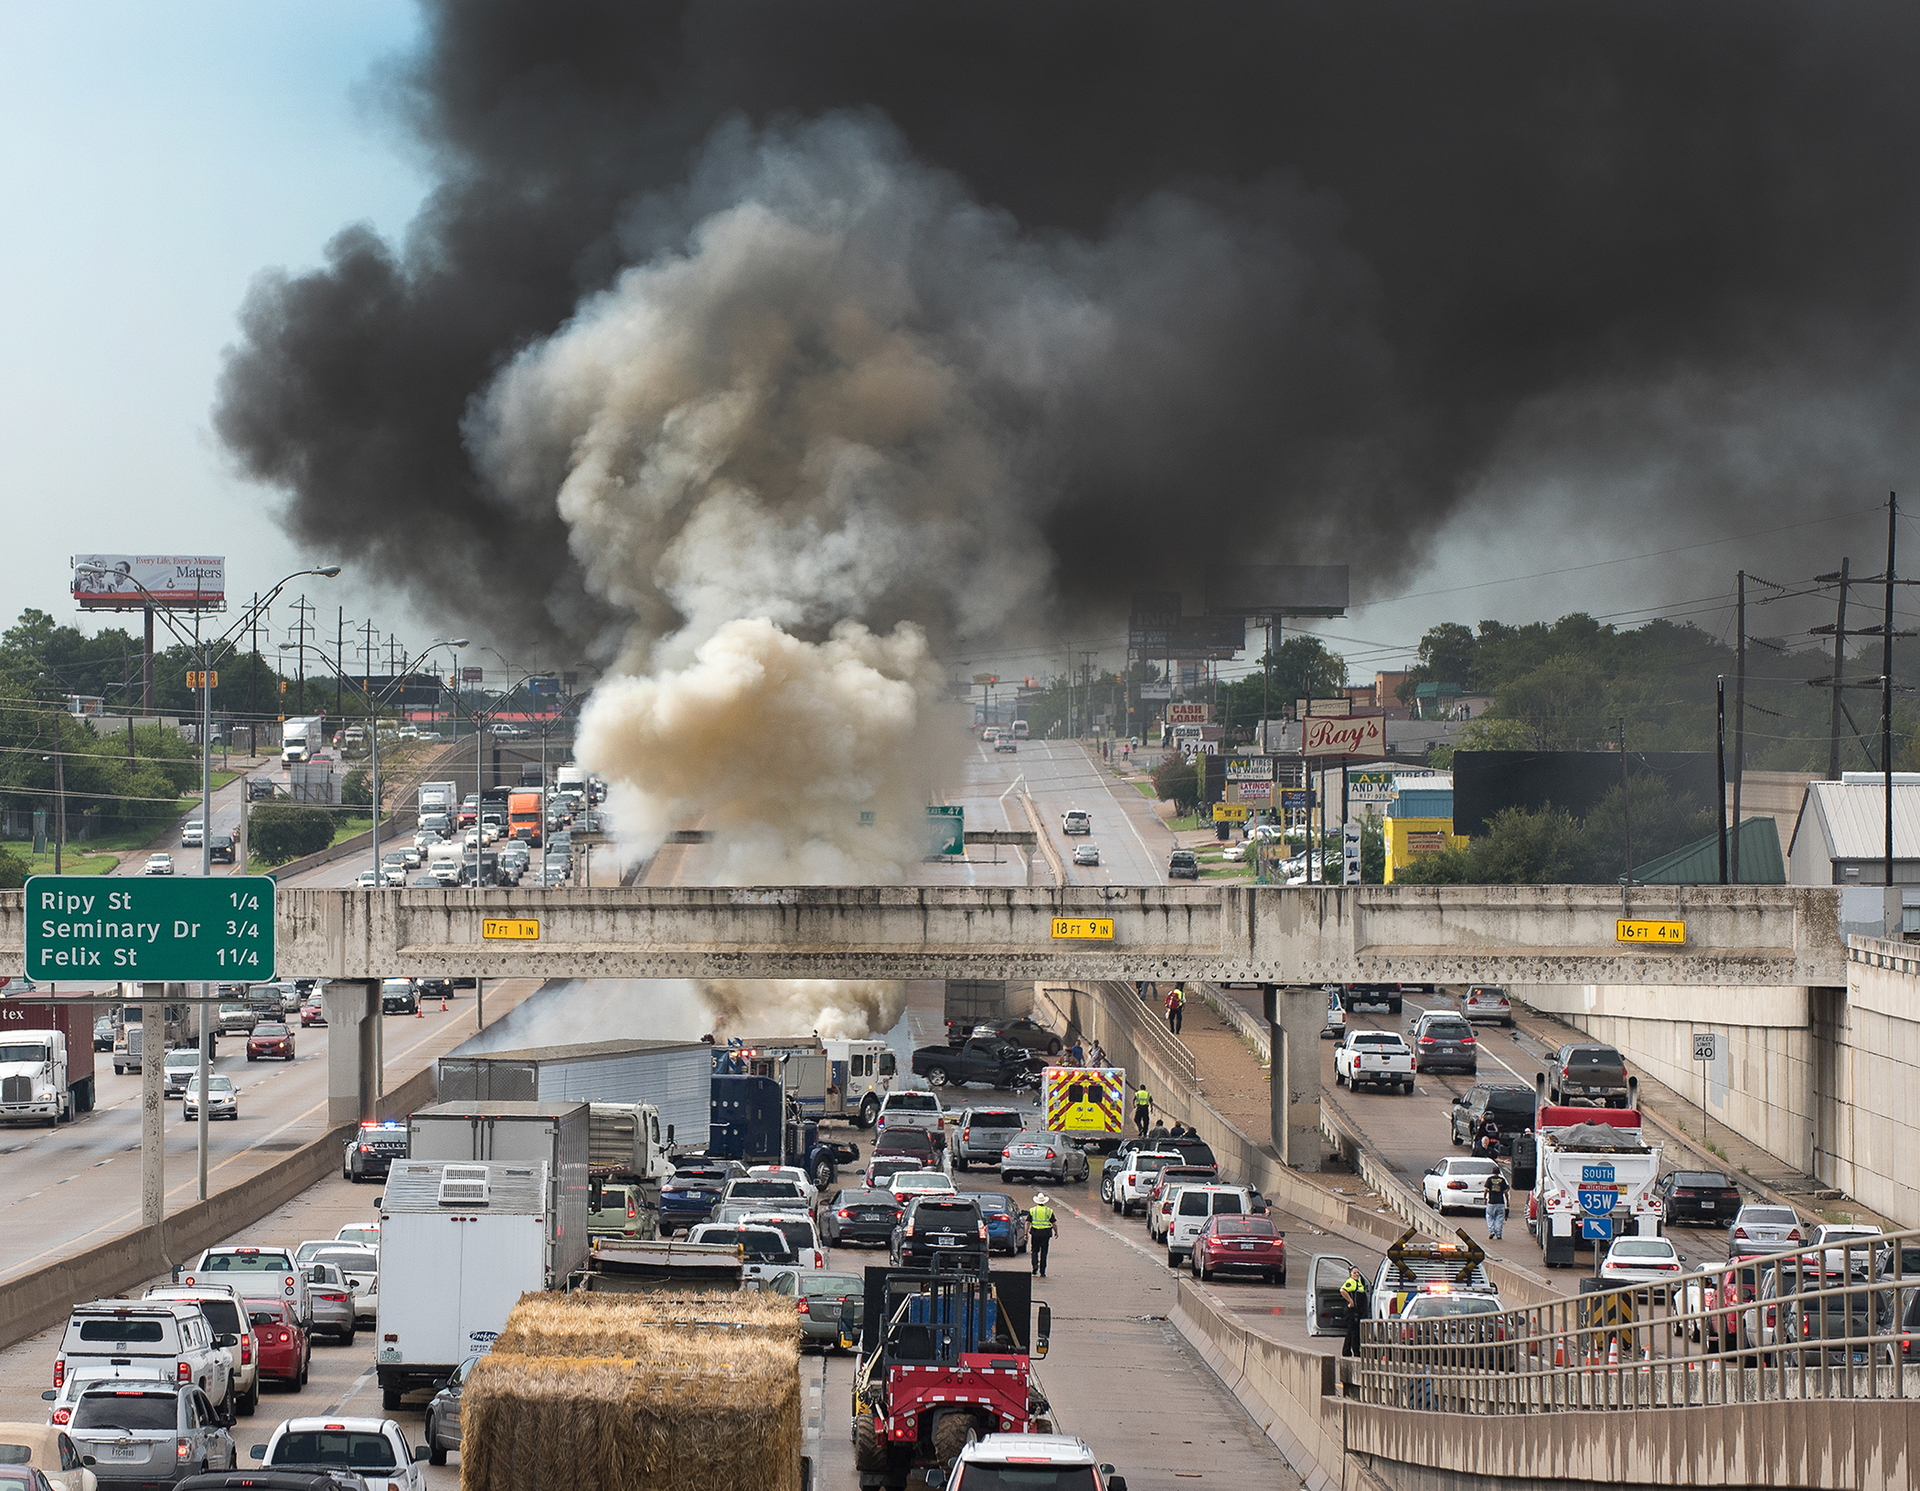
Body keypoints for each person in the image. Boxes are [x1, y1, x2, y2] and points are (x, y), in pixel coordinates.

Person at [1340, 1266, 1370, 1358]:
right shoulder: (1351, 1282)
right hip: (1352, 1312)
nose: (1357, 1274)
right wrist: (1351, 1301)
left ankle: (1346, 1352)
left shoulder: (1358, 1282)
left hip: (1357, 1311)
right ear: (1350, 1274)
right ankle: (1356, 1352)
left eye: (1358, 1273)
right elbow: (1342, 1290)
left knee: (1350, 1332)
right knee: (1354, 1333)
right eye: (1354, 1273)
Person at [1028, 1192, 1057, 1277]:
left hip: (1035, 1233)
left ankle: (1035, 1266)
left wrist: (1025, 1233)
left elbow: (1027, 1222)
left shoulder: (1032, 1210)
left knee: (1034, 1251)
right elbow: (1054, 1223)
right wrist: (1056, 1232)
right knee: (1044, 1252)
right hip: (1045, 1233)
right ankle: (1042, 1271)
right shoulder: (1049, 1211)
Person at [1483, 1165, 1510, 1241]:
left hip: (1491, 1202)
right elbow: (1505, 1192)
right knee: (1500, 1219)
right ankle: (1499, 1234)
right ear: (1499, 1172)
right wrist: (1507, 1201)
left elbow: (1486, 1189)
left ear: (1492, 1172)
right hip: (1500, 1202)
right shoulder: (1502, 1180)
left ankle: (1491, 1231)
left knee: (1489, 1217)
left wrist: (1484, 1198)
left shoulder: (1489, 1179)